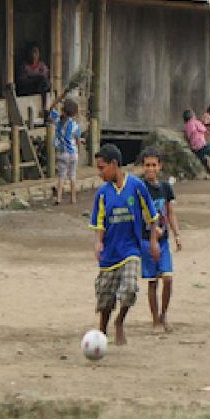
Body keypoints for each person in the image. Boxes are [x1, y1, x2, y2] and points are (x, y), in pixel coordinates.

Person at [89, 144, 158, 347]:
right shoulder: (102, 193)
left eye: (102, 168)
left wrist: (153, 241)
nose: (99, 173)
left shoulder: (136, 186)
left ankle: (120, 321)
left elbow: (152, 216)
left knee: (129, 288)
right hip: (110, 252)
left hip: (131, 250)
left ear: (114, 164)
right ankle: (103, 328)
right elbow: (100, 221)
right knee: (105, 297)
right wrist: (98, 242)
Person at [138, 148, 181, 333]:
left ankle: (164, 315)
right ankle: (155, 319)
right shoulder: (139, 188)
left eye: (154, 165)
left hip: (163, 241)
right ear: (142, 167)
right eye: (147, 165)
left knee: (168, 279)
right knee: (152, 281)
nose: (150, 169)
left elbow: (171, 213)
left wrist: (177, 234)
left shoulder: (165, 188)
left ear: (160, 166)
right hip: (147, 241)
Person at [46, 97, 83, 205]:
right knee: (72, 176)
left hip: (62, 153)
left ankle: (59, 198)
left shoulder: (58, 120)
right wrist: (79, 151)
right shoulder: (75, 125)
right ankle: (73, 198)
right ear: (74, 113)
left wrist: (58, 100)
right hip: (72, 153)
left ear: (63, 110)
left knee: (61, 176)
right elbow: (78, 140)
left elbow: (49, 109)